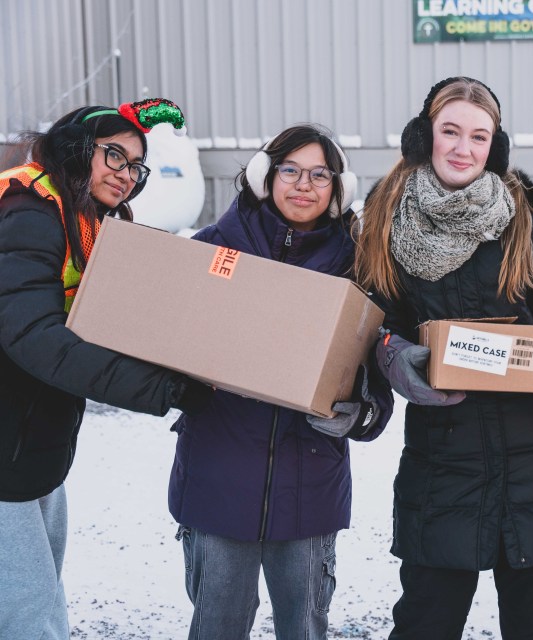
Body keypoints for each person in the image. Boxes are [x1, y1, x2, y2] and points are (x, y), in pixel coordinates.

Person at [355, 76, 533, 639]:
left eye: (479, 137)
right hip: (443, 461)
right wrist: (396, 358)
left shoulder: (522, 217)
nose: (463, 148)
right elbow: (370, 326)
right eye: (449, 131)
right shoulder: (385, 218)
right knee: (427, 621)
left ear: (494, 148)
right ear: (422, 136)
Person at [167, 124, 394, 640]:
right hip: (217, 479)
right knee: (218, 625)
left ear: (339, 189)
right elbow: (167, 346)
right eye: (290, 169)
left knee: (304, 627)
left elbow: (376, 380)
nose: (303, 184)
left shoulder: (358, 269)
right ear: (264, 176)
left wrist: (357, 415)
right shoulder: (212, 251)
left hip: (309, 488)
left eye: (320, 174)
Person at [0, 99, 213, 639]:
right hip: (8, 446)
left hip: (31, 441)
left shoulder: (78, 221)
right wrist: (162, 386)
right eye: (115, 156)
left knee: (35, 593)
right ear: (76, 150)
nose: (126, 175)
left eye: (135, 166)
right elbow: (35, 337)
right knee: (30, 613)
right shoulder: (28, 212)